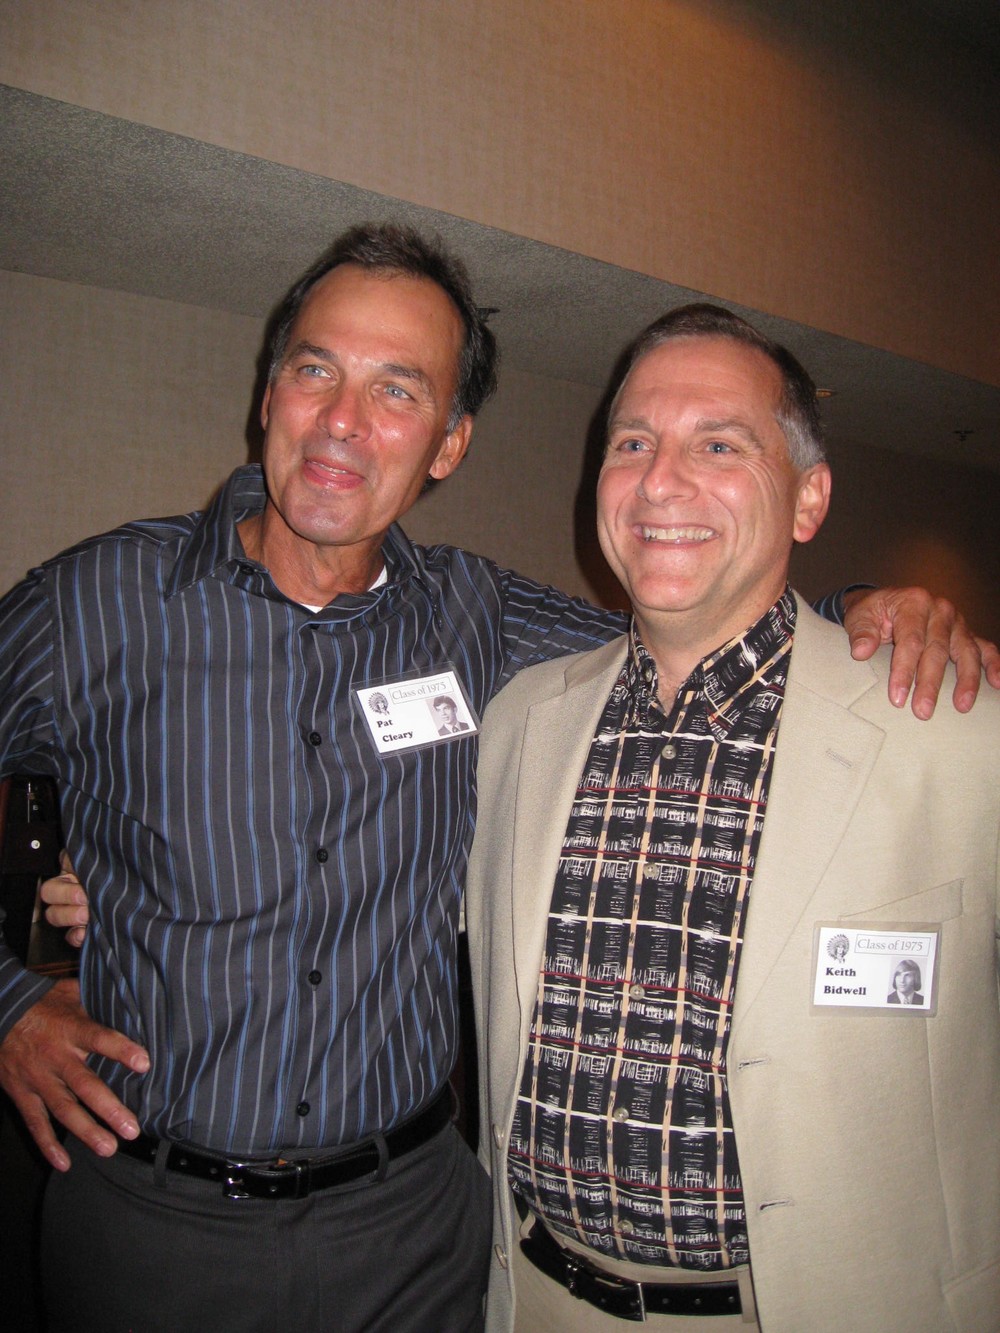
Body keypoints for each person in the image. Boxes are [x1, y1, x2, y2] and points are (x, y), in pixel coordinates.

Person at [1, 229, 995, 1330]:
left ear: (449, 443)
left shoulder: (478, 621)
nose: (343, 420)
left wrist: (862, 614)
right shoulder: (93, 603)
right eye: (317, 369)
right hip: (152, 1221)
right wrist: (13, 1003)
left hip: (414, 1234)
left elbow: (681, 622)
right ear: (269, 391)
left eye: (397, 390)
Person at [464, 304, 1000, 1332]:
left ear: (808, 498)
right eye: (632, 443)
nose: (661, 481)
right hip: (536, 1297)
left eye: (719, 445)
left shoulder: (957, 730)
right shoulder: (519, 721)